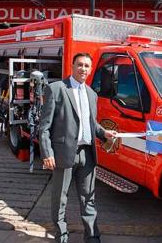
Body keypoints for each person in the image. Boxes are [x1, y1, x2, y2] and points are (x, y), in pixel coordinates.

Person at [39, 52, 117, 243]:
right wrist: (47, 153)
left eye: (87, 66)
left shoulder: (92, 94)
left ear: (91, 70)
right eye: (80, 65)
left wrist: (103, 133)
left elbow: (91, 123)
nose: (83, 69)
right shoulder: (56, 89)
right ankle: (62, 237)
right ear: (72, 67)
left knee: (88, 199)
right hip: (63, 154)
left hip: (87, 154)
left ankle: (92, 237)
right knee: (60, 200)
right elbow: (44, 126)